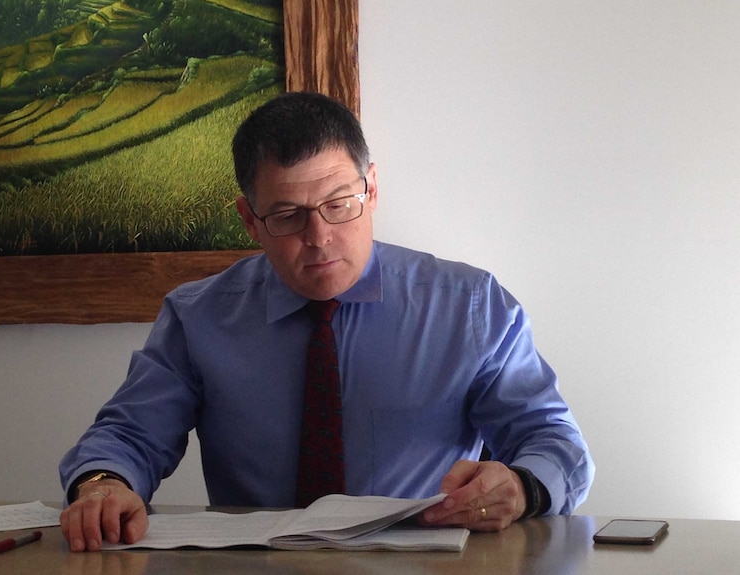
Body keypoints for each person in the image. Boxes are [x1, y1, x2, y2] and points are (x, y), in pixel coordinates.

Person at [59, 91, 595, 552]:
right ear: (250, 220)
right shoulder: (198, 317)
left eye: (340, 204)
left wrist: (522, 486)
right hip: (256, 567)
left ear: (373, 188)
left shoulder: (469, 307)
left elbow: (554, 442)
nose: (319, 237)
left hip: (426, 563)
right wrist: (103, 484)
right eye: (288, 216)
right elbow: (130, 434)